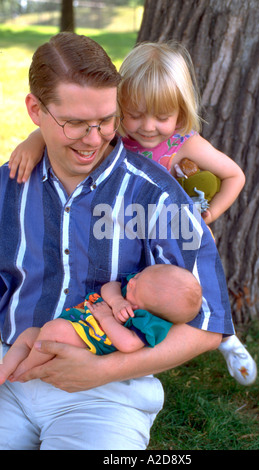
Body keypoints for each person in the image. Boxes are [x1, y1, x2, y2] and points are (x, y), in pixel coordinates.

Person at [0, 32, 234, 450]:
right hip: (8, 375)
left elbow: (209, 322)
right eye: (74, 123)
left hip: (108, 392)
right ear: (35, 110)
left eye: (106, 121)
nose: (93, 139)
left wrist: (101, 372)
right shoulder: (6, 189)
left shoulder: (158, 196)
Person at [0, 264, 202, 383]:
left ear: (151, 308)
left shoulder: (148, 321)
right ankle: (4, 370)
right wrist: (116, 301)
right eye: (138, 276)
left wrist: (106, 318)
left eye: (137, 285)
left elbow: (128, 344)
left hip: (93, 341)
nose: (131, 281)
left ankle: (24, 371)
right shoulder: (129, 292)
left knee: (54, 331)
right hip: (80, 325)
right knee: (29, 335)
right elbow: (111, 286)